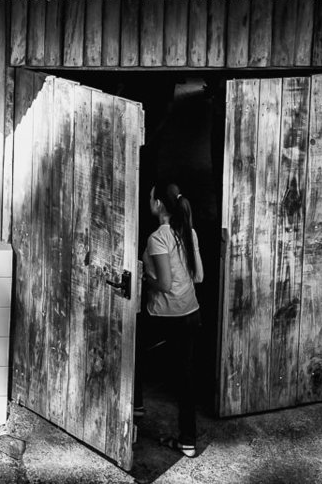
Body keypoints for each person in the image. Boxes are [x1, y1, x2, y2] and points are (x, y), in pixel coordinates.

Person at [141, 182, 204, 458]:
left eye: (150, 198)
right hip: (191, 312)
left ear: (158, 205)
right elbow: (199, 276)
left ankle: (135, 407)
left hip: (165, 316)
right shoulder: (189, 231)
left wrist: (145, 278)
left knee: (131, 352)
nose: (149, 201)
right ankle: (188, 441)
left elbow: (164, 284)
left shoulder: (158, 238)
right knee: (186, 376)